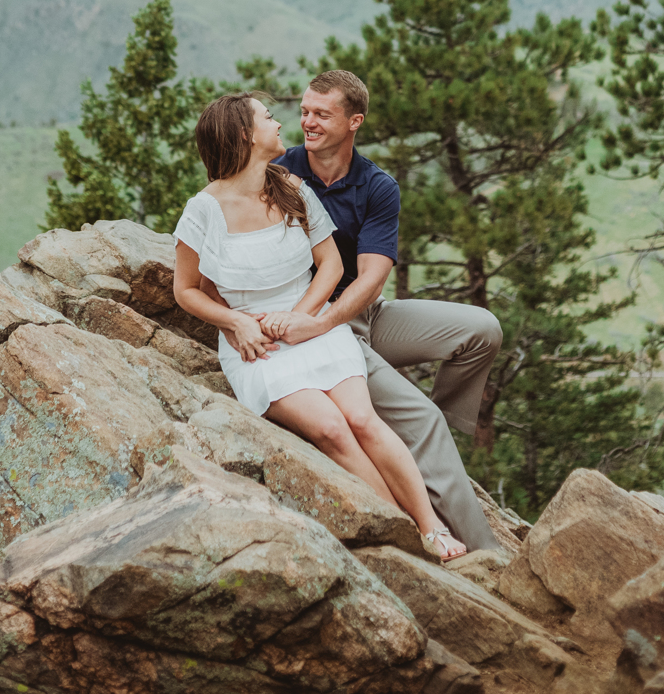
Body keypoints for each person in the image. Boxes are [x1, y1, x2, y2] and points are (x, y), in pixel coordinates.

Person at [172, 92, 468, 560]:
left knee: (363, 420)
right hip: (257, 348)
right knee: (331, 428)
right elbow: (186, 290)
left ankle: (431, 527)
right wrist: (234, 322)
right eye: (268, 117)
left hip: (310, 323)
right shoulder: (203, 210)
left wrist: (304, 317)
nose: (281, 123)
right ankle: (407, 535)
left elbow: (329, 266)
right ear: (246, 135)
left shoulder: (291, 187)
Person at [271, 69, 502, 555]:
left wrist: (329, 319)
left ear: (354, 121)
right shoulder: (281, 171)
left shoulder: (377, 186)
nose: (307, 122)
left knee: (483, 329)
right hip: (322, 327)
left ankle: (427, 431)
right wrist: (316, 322)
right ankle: (487, 555)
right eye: (305, 112)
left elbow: (373, 276)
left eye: (321, 114)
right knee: (422, 423)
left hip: (360, 313)